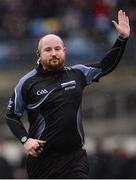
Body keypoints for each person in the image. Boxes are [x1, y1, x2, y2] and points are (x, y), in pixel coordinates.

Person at [6, 10, 130, 179]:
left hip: (74, 158)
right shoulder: (27, 83)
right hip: (42, 159)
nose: (54, 53)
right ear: (39, 54)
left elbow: (104, 66)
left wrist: (122, 39)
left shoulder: (77, 73)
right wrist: (25, 140)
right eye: (48, 50)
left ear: (64, 51)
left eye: (57, 49)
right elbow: (12, 116)